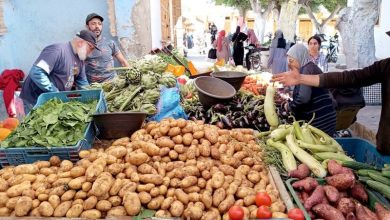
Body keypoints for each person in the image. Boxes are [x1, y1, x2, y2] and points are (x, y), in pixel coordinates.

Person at [272, 30, 390, 154]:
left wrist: (291, 104)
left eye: (292, 59)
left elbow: (303, 98)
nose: (289, 62)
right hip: (385, 143)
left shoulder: (307, 68)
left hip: (320, 122)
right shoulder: (386, 66)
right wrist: (300, 78)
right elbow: (349, 78)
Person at [20, 30, 99, 113]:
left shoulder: (80, 60)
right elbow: (36, 72)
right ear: (80, 43)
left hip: (53, 103)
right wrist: (55, 92)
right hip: (34, 101)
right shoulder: (57, 50)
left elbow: (82, 82)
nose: (91, 53)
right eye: (90, 47)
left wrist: (93, 95)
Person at [285, 44, 337, 136]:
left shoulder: (306, 71)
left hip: (318, 123)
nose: (290, 65)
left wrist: (289, 106)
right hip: (328, 119)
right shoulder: (312, 67)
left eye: (291, 61)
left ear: (299, 57)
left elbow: (303, 98)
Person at [85, 13, 129, 83]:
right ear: (87, 26)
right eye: (93, 24)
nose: (97, 26)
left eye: (99, 24)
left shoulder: (110, 43)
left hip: (112, 85)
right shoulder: (82, 46)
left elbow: (123, 62)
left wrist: (132, 76)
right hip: (93, 88)